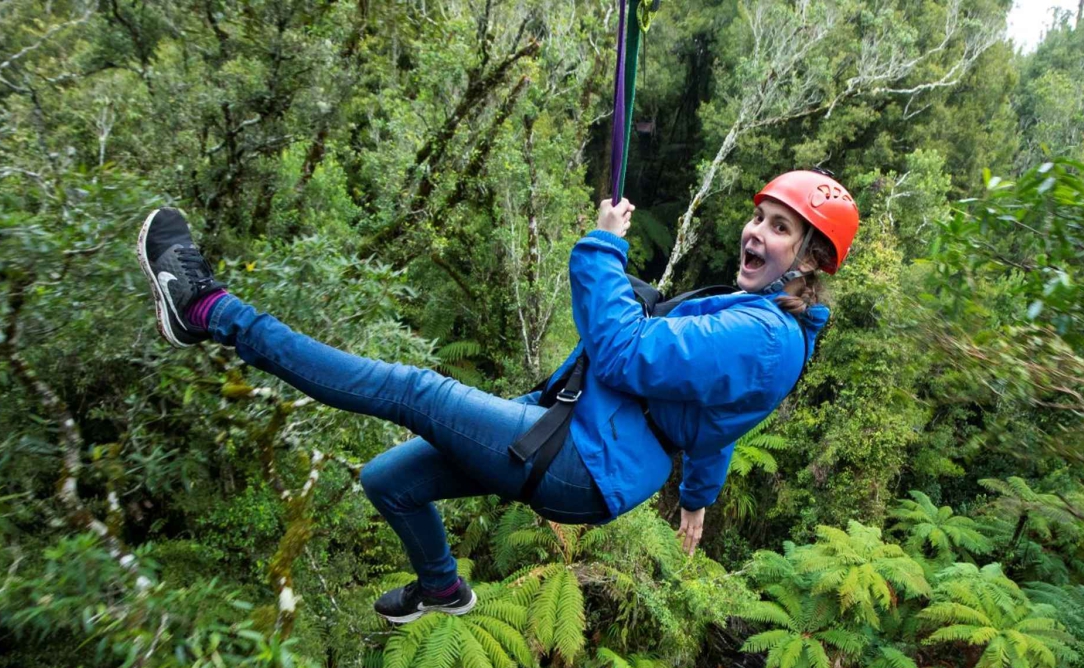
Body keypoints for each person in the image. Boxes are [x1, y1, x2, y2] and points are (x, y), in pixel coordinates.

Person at [136, 170, 859, 623]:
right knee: (390, 481)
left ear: (814, 259)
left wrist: (604, 246)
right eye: (760, 215)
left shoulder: (762, 337)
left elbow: (624, 351)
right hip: (581, 436)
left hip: (584, 459)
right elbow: (718, 423)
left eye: (780, 227)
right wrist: (698, 496)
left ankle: (206, 310)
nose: (756, 231)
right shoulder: (771, 326)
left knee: (410, 388)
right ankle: (442, 588)